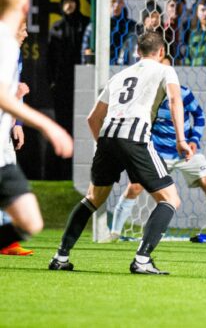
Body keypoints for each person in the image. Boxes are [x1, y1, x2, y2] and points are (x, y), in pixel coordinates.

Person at [49, 31, 193, 275]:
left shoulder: (119, 75)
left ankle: (60, 256)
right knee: (170, 199)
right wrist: (181, 139)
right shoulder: (165, 69)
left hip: (107, 137)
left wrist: (108, 149)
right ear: (161, 53)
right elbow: (175, 100)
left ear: (137, 52)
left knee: (93, 198)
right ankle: (142, 260)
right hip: (135, 138)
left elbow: (93, 118)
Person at [104, 57, 206, 246]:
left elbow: (199, 116)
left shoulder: (184, 94)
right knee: (134, 187)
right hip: (157, 153)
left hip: (185, 153)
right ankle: (114, 233)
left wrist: (194, 140)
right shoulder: (146, 97)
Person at [0, 0, 73, 253]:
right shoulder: (6, 44)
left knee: (30, 222)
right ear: (22, 5)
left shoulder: (10, 45)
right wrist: (48, 126)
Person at [48, 0, 89, 177]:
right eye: (66, 2)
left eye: (72, 1)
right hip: (62, 87)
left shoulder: (86, 25)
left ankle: (79, 170)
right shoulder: (56, 28)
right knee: (63, 125)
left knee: (81, 125)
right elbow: (50, 59)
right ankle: (62, 170)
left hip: (82, 84)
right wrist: (52, 82)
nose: (69, 5)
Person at [0, 20, 33, 256]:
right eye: (22, 29)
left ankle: (6, 241)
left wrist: (17, 123)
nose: (26, 34)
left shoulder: (15, 53)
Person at [81, 0, 137, 65]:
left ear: (124, 3)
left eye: (120, 2)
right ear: (106, 2)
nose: (116, 5)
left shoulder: (131, 26)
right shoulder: (95, 26)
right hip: (100, 69)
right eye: (113, 1)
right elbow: (85, 53)